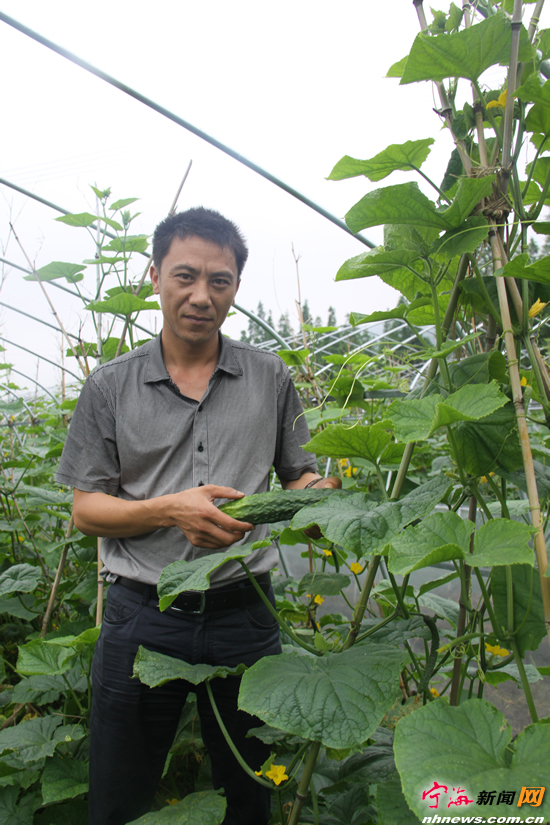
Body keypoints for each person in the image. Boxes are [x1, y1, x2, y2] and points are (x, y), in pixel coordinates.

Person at [55, 207, 341, 825]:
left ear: (236, 287)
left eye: (220, 281)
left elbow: (299, 476)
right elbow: (86, 509)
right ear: (155, 275)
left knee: (250, 787)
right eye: (185, 276)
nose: (201, 296)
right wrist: (167, 510)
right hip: (142, 616)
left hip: (248, 612)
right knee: (120, 791)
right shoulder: (110, 386)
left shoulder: (269, 376)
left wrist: (329, 493)